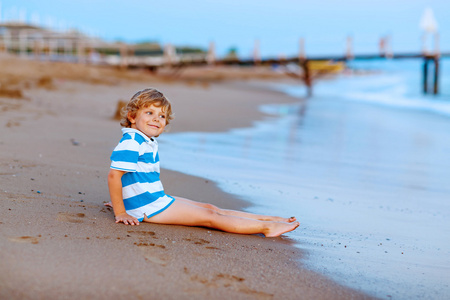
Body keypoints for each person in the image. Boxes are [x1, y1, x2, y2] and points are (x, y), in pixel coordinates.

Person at [106, 88, 300, 237]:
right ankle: (267, 227)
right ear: (132, 116)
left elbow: (130, 177)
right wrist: (121, 211)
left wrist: (124, 201)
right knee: (210, 218)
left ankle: (270, 218)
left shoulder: (143, 140)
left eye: (162, 116)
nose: (156, 119)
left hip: (152, 199)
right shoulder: (132, 142)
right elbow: (115, 175)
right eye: (149, 113)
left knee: (210, 208)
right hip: (149, 206)